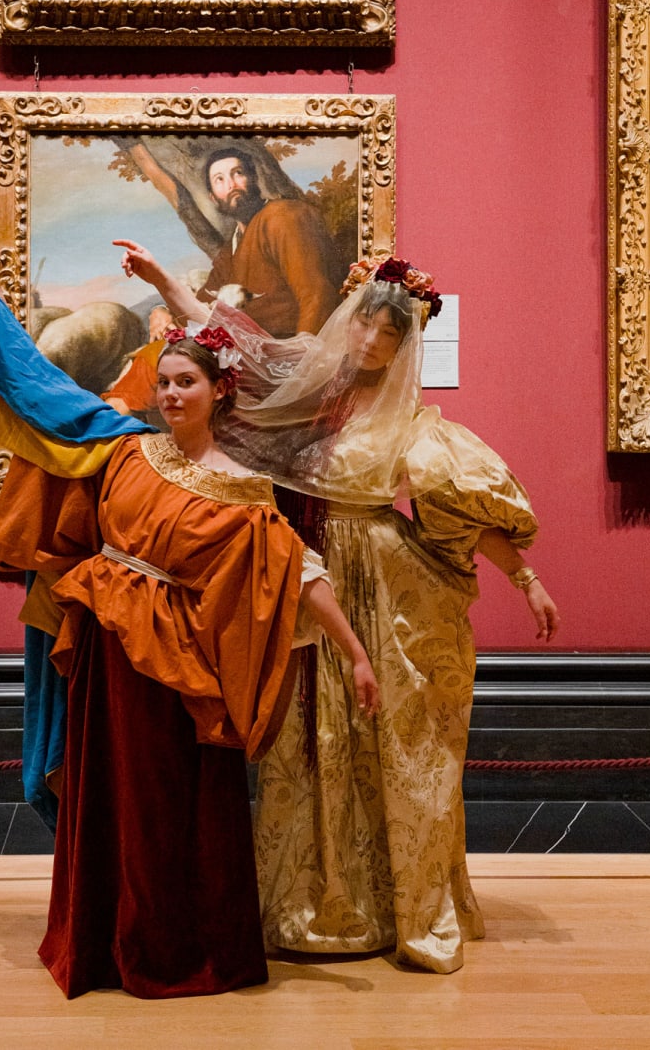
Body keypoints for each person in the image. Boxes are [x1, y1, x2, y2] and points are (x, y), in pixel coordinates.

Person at [115, 242, 560, 974]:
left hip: (387, 583)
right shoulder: (296, 375)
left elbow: (455, 502)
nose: (375, 344)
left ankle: (395, 905)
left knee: (388, 737)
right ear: (348, 320)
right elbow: (223, 336)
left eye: (392, 336)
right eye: (368, 328)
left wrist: (526, 577)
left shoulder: (410, 421)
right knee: (303, 738)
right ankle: (308, 904)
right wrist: (162, 277)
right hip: (304, 574)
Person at [0, 281, 380, 1000]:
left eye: (187, 383)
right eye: (166, 383)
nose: (173, 394)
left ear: (218, 392)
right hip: (106, 658)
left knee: (170, 808)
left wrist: (356, 653)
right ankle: (101, 944)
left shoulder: (245, 487)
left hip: (182, 663)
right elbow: (44, 401)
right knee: (109, 802)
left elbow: (298, 571)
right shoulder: (122, 450)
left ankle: (178, 947)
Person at [197, 146, 344, 336]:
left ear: (254, 179)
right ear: (213, 198)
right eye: (220, 180)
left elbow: (317, 296)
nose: (231, 184)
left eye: (238, 173)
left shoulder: (283, 217)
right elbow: (201, 302)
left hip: (296, 351)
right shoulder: (232, 247)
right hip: (257, 355)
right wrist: (163, 312)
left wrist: (304, 360)